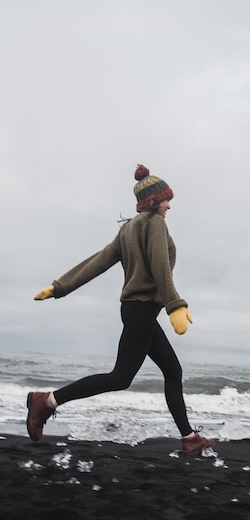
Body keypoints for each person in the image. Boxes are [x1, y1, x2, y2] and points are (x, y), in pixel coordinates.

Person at [26, 164, 214, 453]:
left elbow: (98, 261)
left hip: (138, 310)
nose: (168, 206)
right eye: (166, 200)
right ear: (152, 200)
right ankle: (47, 401)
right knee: (120, 378)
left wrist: (61, 286)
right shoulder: (154, 224)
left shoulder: (129, 228)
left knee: (172, 371)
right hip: (141, 309)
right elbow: (160, 267)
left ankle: (189, 438)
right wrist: (175, 305)